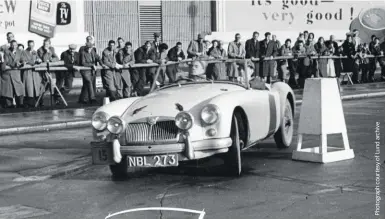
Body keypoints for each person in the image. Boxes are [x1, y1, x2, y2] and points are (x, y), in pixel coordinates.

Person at [1, 40, 25, 108]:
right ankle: (9, 105)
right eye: (12, 45)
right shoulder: (6, 52)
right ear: (10, 45)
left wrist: (22, 63)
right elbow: (7, 61)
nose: (14, 46)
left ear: (17, 45)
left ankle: (20, 104)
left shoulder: (20, 52)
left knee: (19, 89)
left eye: (15, 45)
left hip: (16, 73)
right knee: (8, 91)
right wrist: (15, 64)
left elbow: (22, 59)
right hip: (8, 74)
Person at [22, 40, 43, 107]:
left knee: (36, 87)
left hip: (35, 72)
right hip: (28, 72)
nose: (31, 46)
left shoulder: (35, 52)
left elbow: (38, 58)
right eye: (30, 45)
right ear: (27, 45)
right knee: (28, 88)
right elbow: (24, 60)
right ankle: (29, 103)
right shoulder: (24, 52)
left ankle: (38, 103)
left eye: (32, 45)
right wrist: (34, 61)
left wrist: (39, 60)